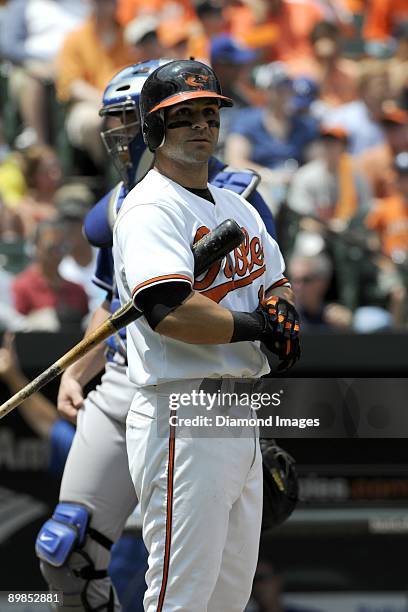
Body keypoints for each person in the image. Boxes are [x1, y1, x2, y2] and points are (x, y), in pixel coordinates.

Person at [36, 59, 279, 612]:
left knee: (218, 589)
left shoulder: (237, 197)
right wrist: (78, 369)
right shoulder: (122, 207)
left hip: (223, 388)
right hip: (144, 379)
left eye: (131, 116)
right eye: (118, 120)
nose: (123, 133)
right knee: (67, 549)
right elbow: (115, 303)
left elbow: (263, 289)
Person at [113, 59, 299, 611]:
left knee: (226, 597)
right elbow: (171, 311)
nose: (200, 125)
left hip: (238, 410)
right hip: (184, 411)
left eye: (209, 114)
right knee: (181, 596)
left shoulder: (237, 206)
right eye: (183, 116)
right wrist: (257, 326)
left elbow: (277, 282)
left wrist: (280, 318)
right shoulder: (150, 208)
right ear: (154, 127)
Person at [12, 218, 89, 329]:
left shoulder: (77, 290)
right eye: (51, 248)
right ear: (36, 247)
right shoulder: (21, 287)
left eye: (62, 248)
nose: (57, 254)